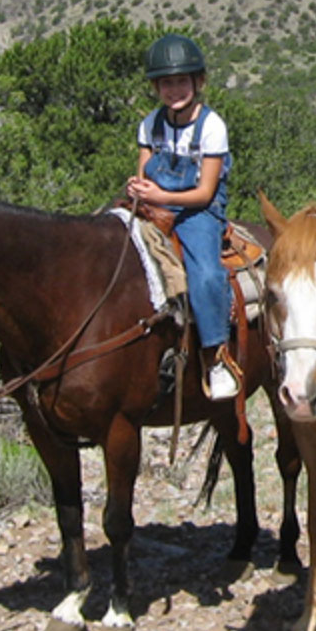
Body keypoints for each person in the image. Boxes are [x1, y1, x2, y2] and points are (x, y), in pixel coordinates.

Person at [126, 33, 237, 402]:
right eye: (167, 83)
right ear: (157, 87)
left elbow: (204, 192)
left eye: (182, 80)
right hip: (156, 205)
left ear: (198, 81)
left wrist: (160, 195)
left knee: (205, 274)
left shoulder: (211, 126)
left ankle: (215, 357)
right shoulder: (149, 125)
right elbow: (145, 174)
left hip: (198, 210)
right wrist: (139, 190)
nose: (174, 89)